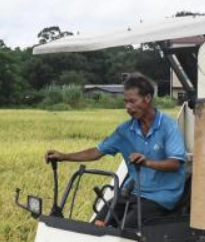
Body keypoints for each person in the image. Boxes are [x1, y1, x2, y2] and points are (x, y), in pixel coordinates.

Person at [45, 73, 186, 227]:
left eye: (132, 101)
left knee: (126, 227)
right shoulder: (125, 130)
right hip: (133, 192)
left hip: (162, 195)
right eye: (125, 102)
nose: (128, 107)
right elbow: (96, 152)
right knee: (97, 223)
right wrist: (64, 156)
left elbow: (175, 164)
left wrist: (147, 162)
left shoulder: (167, 126)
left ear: (147, 98)